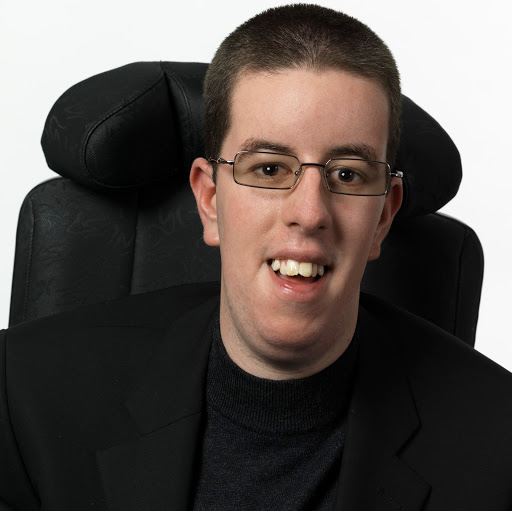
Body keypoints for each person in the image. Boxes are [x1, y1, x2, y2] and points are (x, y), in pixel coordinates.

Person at [1, 4, 512, 511]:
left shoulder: (500, 451)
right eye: (269, 169)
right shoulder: (21, 394)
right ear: (210, 200)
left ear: (383, 217)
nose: (309, 213)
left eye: (348, 175)